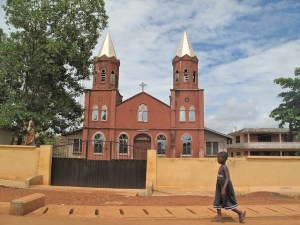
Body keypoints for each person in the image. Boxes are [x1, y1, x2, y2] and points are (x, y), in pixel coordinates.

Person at [212, 151, 246, 223]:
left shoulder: (225, 167)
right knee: (217, 201)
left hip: (225, 187)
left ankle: (240, 213)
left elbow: (228, 178)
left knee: (228, 203)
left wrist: (224, 188)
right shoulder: (221, 167)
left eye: (218, 158)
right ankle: (219, 217)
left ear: (223, 159)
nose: (217, 159)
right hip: (219, 187)